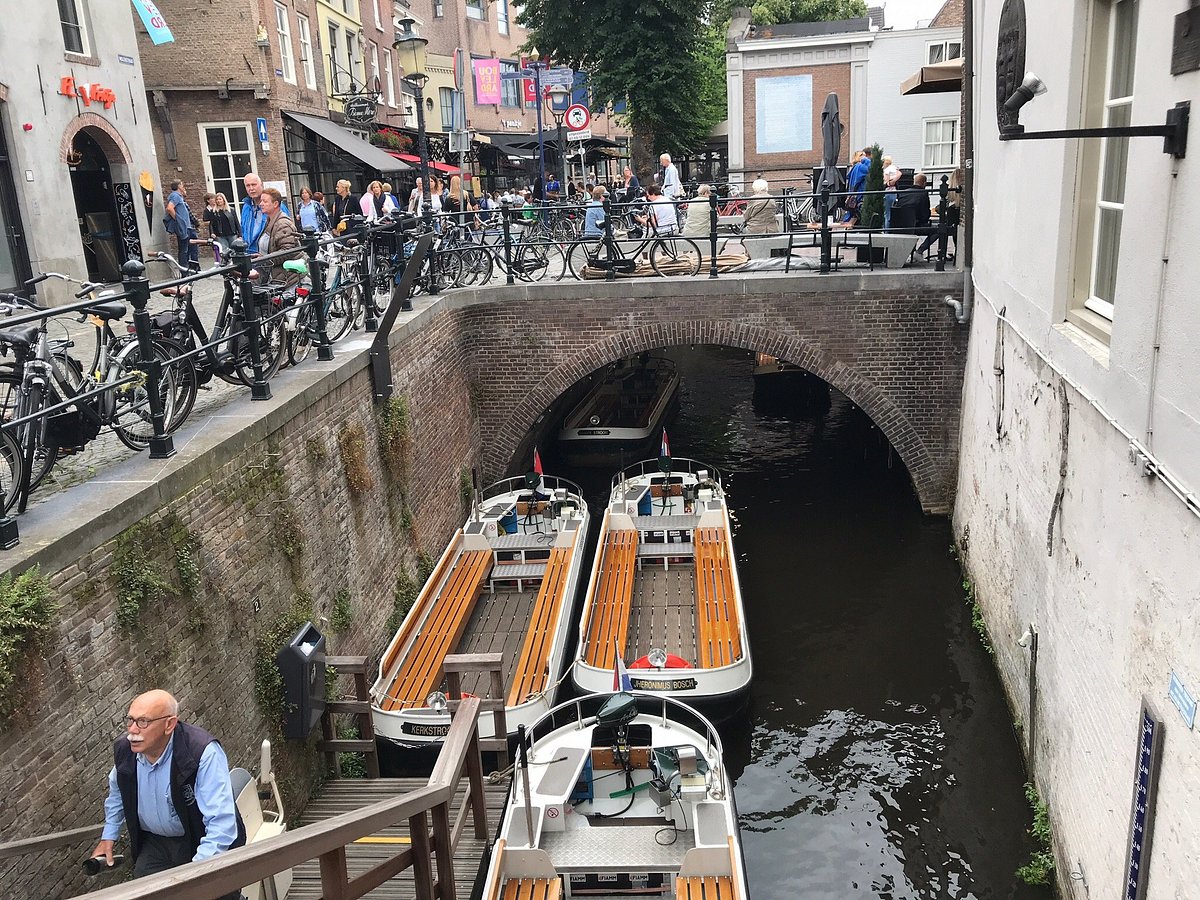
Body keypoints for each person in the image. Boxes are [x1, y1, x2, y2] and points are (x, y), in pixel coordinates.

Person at [90, 690, 244, 899]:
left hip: (200, 837)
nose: (133, 730)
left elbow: (221, 824)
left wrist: (196, 874)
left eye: (143, 722)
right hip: (155, 843)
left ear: (169, 724)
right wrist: (109, 834)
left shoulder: (201, 751)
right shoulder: (125, 750)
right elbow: (118, 791)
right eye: (130, 720)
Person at [259, 187, 304, 286]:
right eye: (261, 201)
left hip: (287, 277)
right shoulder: (269, 221)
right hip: (277, 275)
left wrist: (265, 260)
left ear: (275, 204)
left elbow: (288, 250)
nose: (261, 204)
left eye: (265, 201)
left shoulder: (282, 223)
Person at [240, 172, 289, 249]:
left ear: (261, 185)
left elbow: (285, 232)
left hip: (268, 254)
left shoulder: (275, 206)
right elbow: (243, 229)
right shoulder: (246, 207)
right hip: (249, 253)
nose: (251, 188)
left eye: (254, 184)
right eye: (248, 185)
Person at [166, 180, 199, 272]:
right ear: (178, 186)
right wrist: (178, 219)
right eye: (182, 184)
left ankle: (188, 269)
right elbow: (169, 208)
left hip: (187, 227)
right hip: (183, 227)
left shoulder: (179, 197)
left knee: (187, 249)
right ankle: (184, 271)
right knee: (184, 250)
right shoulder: (175, 195)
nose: (183, 186)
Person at [204, 193, 239, 261]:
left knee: (234, 251)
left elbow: (236, 222)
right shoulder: (213, 211)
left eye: (220, 199)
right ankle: (227, 267)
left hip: (232, 234)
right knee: (225, 252)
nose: (218, 201)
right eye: (217, 199)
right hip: (220, 235)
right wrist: (212, 233)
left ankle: (235, 267)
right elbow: (211, 223)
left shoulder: (231, 210)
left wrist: (240, 234)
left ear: (223, 200)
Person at [844, 147, 872, 223]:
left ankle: (848, 231)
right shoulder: (862, 166)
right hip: (860, 195)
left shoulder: (855, 167)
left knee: (853, 216)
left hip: (854, 195)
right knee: (857, 216)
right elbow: (871, 168)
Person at [881, 156, 900, 230]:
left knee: (886, 214)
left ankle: (886, 230)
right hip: (892, 192)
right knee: (889, 214)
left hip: (888, 193)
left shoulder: (886, 171)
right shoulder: (893, 171)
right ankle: (887, 230)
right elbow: (899, 174)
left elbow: (887, 183)